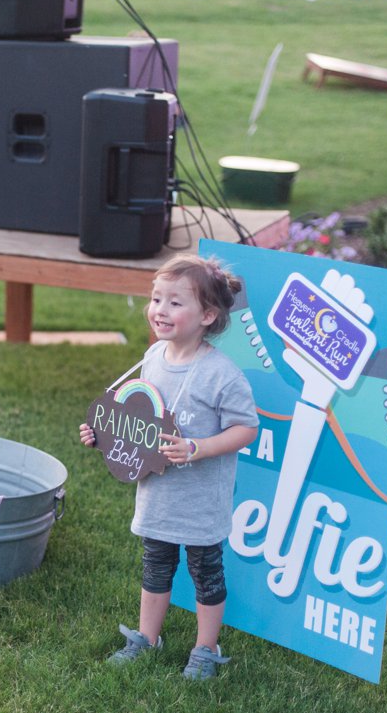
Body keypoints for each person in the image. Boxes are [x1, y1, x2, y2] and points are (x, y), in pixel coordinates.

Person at [79, 253, 259, 681]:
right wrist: (101, 434)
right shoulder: (154, 355)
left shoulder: (222, 375)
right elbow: (136, 417)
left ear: (208, 315)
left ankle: (205, 648)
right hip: (157, 495)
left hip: (199, 503)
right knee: (155, 567)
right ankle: (147, 637)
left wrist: (198, 447)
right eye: (156, 298)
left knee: (205, 574)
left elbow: (247, 429)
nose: (160, 309)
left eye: (175, 303)